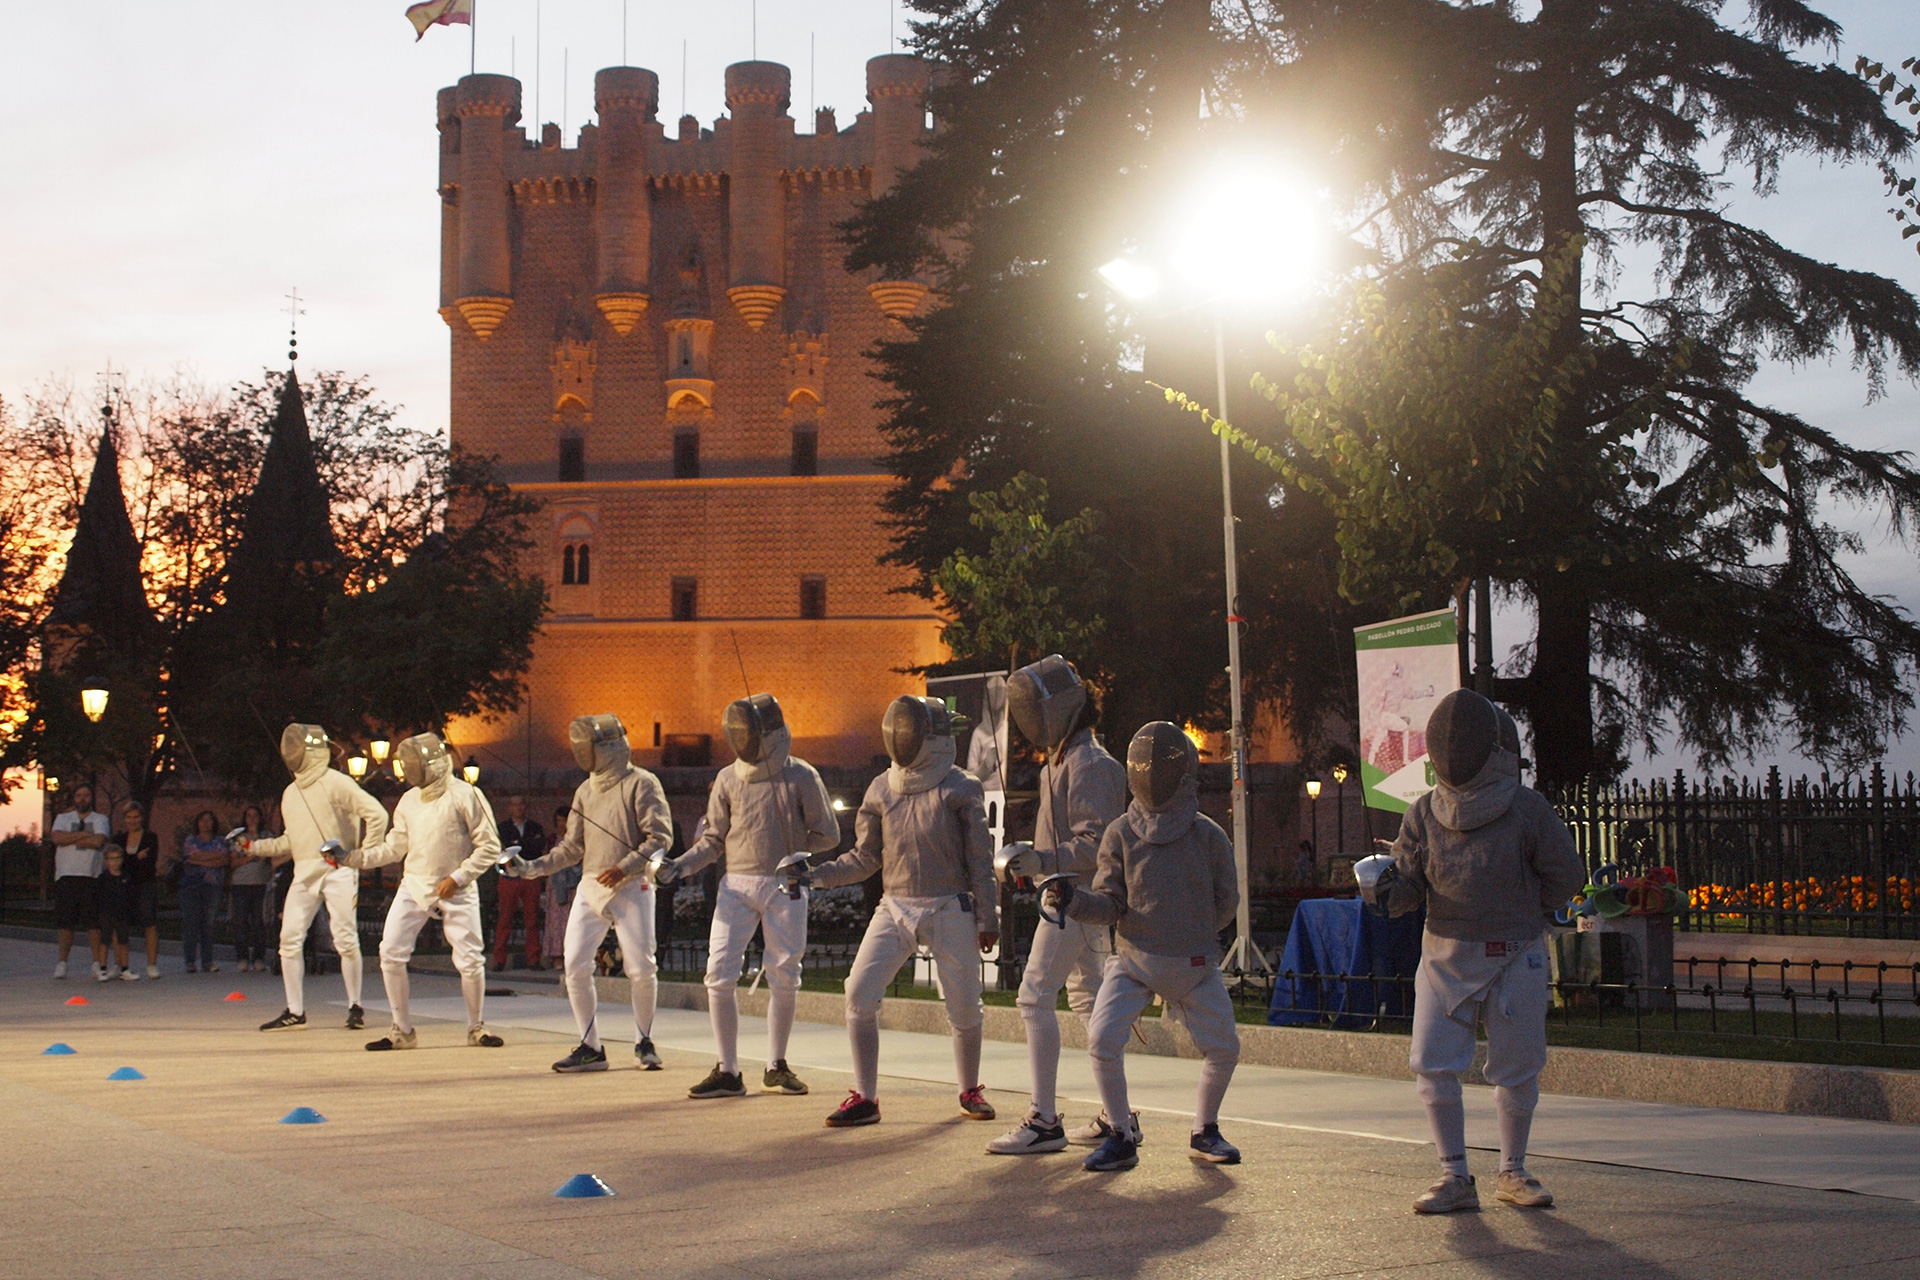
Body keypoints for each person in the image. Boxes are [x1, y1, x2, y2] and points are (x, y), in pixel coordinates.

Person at [1369, 690, 1584, 1214]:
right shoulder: (1424, 812)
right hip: (1444, 953)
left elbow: (1566, 877)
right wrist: (1384, 889)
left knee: (1517, 1067)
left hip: (1514, 954)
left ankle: (1513, 1171)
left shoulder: (1527, 809)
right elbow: (1411, 885)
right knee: (1433, 1064)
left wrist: (1524, 913)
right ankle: (1454, 1176)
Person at [1045, 721, 1243, 1173]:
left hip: (1195, 965)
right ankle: (1120, 1133)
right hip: (1133, 961)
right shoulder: (1120, 833)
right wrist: (1074, 902)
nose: (1154, 775)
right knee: (1101, 1040)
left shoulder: (1208, 835)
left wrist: (1190, 936)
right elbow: (1111, 903)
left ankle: (1205, 1130)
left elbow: (1226, 903)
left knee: (1224, 1047)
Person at [801, 695, 998, 1128]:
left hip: (950, 906)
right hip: (894, 906)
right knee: (857, 994)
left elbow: (980, 861)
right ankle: (866, 1098)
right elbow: (864, 857)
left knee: (965, 1008)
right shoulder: (881, 788)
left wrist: (987, 917)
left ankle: (970, 1090)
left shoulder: (960, 786)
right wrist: (815, 876)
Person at [665, 693, 841, 1100]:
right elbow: (713, 840)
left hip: (785, 886)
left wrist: (800, 857)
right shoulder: (728, 779)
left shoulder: (800, 776)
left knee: (784, 976)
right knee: (718, 974)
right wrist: (681, 866)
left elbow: (827, 833)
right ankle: (728, 1070)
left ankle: (776, 1065)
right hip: (736, 886)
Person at [985, 656, 1129, 1155]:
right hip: (1068, 895)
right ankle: (1117, 1115)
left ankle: (1045, 1120)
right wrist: (1035, 858)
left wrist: (1042, 858)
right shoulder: (1065, 761)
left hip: (1076, 898)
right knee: (1089, 1001)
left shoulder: (1091, 765)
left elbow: (1099, 844)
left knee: (1033, 997)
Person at [501, 714, 673, 1073]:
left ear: (607, 747)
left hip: (632, 886)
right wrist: (530, 868)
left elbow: (659, 837)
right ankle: (591, 1047)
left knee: (641, 967)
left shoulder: (642, 783)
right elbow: (570, 848)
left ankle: (644, 1041)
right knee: (575, 966)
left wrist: (624, 867)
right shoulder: (584, 790)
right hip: (592, 885)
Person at [351, 733, 506, 1050]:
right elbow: (395, 847)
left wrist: (459, 877)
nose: (410, 770)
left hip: (456, 888)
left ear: (432, 763)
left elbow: (490, 847)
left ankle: (476, 1028)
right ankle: (402, 1031)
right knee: (390, 953)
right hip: (414, 884)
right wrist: (355, 858)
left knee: (470, 960)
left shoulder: (466, 794)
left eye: (415, 764)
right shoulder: (408, 800)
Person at [239, 724, 389, 1032]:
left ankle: (356, 1006)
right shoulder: (290, 793)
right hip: (305, 872)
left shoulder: (337, 782)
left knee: (345, 939)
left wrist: (362, 855)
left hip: (338, 871)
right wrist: (254, 847)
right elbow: (290, 841)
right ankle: (295, 1011)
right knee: (288, 941)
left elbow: (377, 814)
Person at [49, 784, 110, 979]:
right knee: (66, 923)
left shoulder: (100, 819)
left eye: (86, 795)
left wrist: (71, 839)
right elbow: (57, 838)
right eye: (78, 795)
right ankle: (62, 962)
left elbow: (98, 841)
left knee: (93, 923)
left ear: (91, 798)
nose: (82, 798)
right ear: (74, 798)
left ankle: (96, 963)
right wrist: (84, 835)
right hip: (67, 876)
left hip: (92, 876)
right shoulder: (63, 818)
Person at [492, 795, 547, 970]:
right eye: (515, 805)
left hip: (531, 876)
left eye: (522, 804)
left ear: (526, 806)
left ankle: (533, 959)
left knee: (532, 919)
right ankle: (499, 959)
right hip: (510, 876)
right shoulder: (503, 828)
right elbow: (497, 849)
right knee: (505, 917)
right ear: (510, 808)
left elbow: (537, 848)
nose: (518, 808)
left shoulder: (535, 827)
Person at [114, 801, 163, 980]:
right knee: (120, 925)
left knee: (149, 923)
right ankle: (120, 964)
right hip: (123, 886)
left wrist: (129, 860)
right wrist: (135, 858)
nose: (133, 820)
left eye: (136, 817)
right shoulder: (118, 839)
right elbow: (118, 862)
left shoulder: (150, 837)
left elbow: (148, 863)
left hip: (145, 885)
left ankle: (152, 964)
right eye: (129, 817)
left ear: (142, 818)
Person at [179, 811, 229, 974]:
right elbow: (190, 857)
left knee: (208, 924)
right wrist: (211, 859)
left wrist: (201, 859)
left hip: (212, 886)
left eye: (209, 820)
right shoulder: (191, 840)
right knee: (191, 924)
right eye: (203, 820)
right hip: (191, 887)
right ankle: (190, 961)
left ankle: (207, 961)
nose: (206, 823)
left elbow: (223, 859)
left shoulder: (220, 841)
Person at [228, 805, 275, 972]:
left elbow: (269, 856)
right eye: (248, 815)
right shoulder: (239, 837)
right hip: (241, 884)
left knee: (259, 922)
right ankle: (242, 957)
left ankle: (259, 958)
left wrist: (255, 853)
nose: (252, 818)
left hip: (261, 884)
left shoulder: (267, 836)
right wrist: (250, 857)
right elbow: (233, 861)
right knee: (240, 922)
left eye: (255, 815)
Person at [542, 804, 579, 962]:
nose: (561, 824)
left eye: (564, 821)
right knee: (555, 920)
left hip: (572, 881)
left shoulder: (577, 839)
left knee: (572, 919)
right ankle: (556, 955)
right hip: (556, 883)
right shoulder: (552, 839)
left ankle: (571, 954)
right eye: (558, 821)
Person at [96, 843, 138, 981]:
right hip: (107, 914)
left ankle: (124, 968)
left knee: (123, 941)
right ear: (106, 861)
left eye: (118, 858)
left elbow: (131, 895)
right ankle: (102, 969)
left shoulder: (126, 877)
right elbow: (97, 896)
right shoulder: (103, 878)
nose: (115, 861)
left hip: (122, 914)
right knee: (105, 940)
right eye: (111, 859)